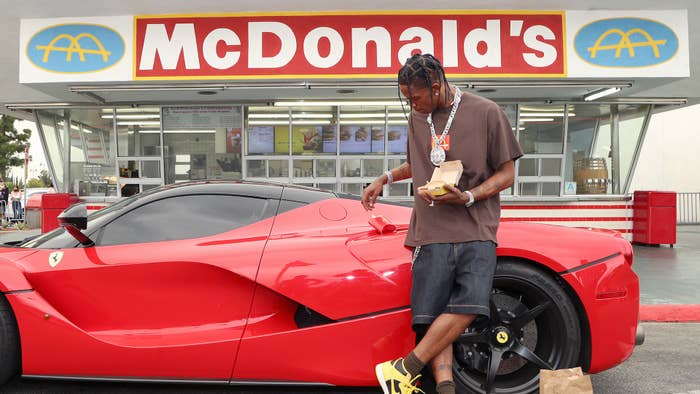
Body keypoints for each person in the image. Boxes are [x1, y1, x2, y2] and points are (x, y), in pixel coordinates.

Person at [361, 53, 523, 394]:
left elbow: (507, 172)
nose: (412, 104)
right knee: (432, 315)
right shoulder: (418, 118)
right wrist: (384, 178)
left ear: (436, 87)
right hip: (430, 229)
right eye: (407, 99)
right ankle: (444, 388)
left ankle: (404, 368)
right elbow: (415, 163)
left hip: (475, 226)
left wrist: (468, 197)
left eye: (416, 97)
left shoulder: (486, 112)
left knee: (470, 304)